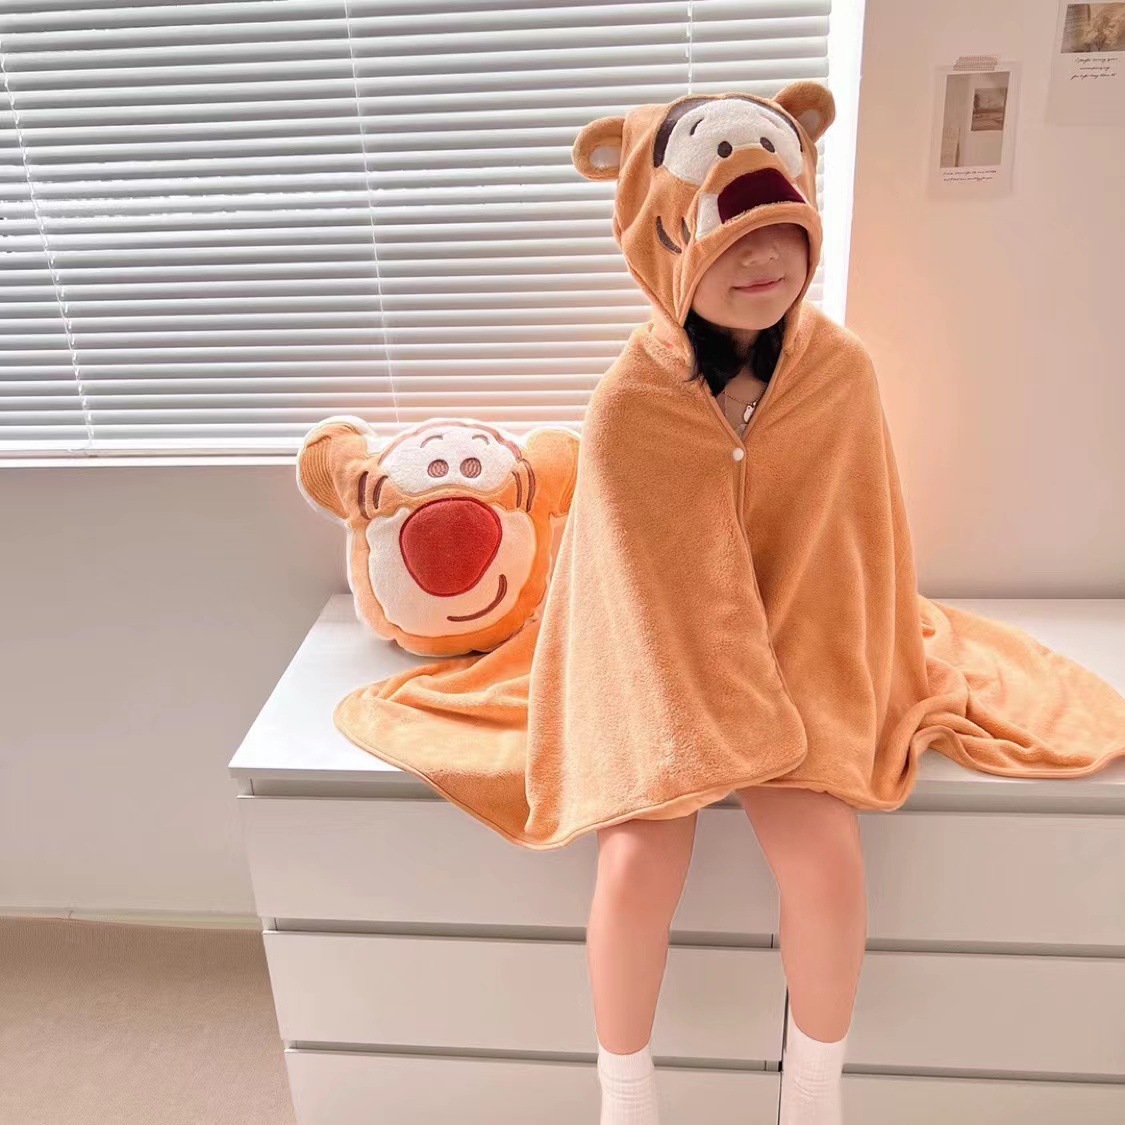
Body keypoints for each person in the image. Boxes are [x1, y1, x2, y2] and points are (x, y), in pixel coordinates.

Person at [589, 220, 860, 1125]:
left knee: (825, 857)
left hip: (799, 653)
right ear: (669, 249)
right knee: (635, 859)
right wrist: (692, 672)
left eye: (782, 231)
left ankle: (811, 1096)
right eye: (728, 238)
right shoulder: (633, 396)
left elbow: (850, 543)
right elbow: (622, 574)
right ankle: (625, 1098)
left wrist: (795, 658)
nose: (761, 257)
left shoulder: (838, 372)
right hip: (662, 656)